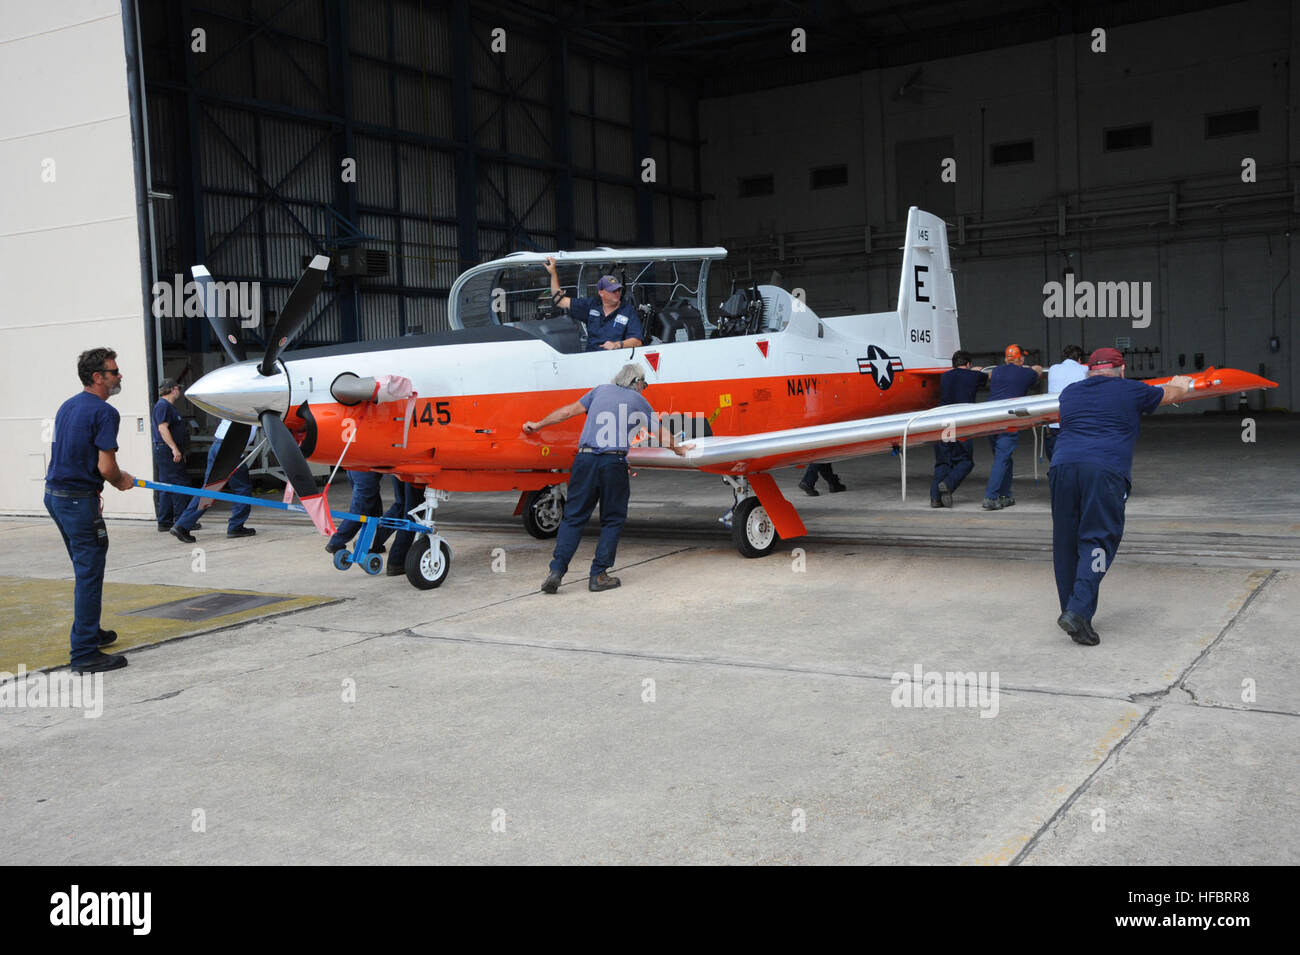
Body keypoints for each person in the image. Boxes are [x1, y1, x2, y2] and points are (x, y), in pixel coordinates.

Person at [1050, 347, 1193, 646]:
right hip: (1104, 470)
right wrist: (1181, 382)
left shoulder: (1069, 393)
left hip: (1062, 468)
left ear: (1088, 371)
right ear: (1122, 370)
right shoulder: (1132, 390)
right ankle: (1077, 611)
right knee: (1099, 540)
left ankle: (1075, 615)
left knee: (1066, 543)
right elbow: (1173, 394)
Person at [525, 363, 691, 593]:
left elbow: (566, 412)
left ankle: (557, 571)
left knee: (573, 517)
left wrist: (538, 424)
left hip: (584, 460)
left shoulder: (599, 391)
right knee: (612, 519)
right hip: (613, 462)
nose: (644, 388)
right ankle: (598, 575)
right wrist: (680, 449)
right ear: (636, 382)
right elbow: (660, 433)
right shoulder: (638, 400)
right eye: (644, 384)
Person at [44, 348, 136, 673]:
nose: (119, 375)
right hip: (77, 501)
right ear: (98, 378)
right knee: (89, 573)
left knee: (84, 569)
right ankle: (84, 652)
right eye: (114, 371)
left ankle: (90, 630)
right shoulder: (104, 412)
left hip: (55, 496)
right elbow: (106, 465)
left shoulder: (68, 406)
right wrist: (119, 479)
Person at [170, 419, 257, 542]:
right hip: (231, 448)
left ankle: (182, 525)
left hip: (218, 444)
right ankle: (236, 526)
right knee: (242, 488)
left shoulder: (233, 403)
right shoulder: (251, 405)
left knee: (210, 488)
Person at [982, 344, 1044, 510]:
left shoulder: (996, 372)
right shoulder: (1026, 372)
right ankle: (991, 496)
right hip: (1008, 420)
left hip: (989, 418)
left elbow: (987, 375)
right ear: (1021, 359)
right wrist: (1035, 368)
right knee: (1002, 459)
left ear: (1005, 359)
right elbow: (1037, 373)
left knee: (1005, 459)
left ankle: (1005, 495)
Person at [544, 257, 644, 352]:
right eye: (612, 290)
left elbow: (637, 341)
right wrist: (553, 273)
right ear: (601, 292)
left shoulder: (628, 310)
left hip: (616, 357)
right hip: (591, 357)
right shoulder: (591, 305)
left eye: (618, 290)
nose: (617, 293)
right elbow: (559, 301)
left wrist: (617, 345)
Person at [930, 350, 989, 507]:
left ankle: (935, 498)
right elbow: (988, 376)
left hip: (943, 421)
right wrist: (978, 371)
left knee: (943, 461)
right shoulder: (973, 376)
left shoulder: (945, 376)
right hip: (961, 422)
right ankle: (948, 484)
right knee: (965, 460)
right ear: (968, 364)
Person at [326, 471, 401, 556]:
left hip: (356, 469)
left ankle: (375, 544)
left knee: (374, 510)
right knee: (360, 512)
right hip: (365, 470)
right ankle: (336, 542)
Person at [151, 378, 191, 531]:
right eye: (178, 389)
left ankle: (165, 521)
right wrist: (174, 448)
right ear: (173, 389)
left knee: (167, 486)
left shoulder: (165, 406)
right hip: (167, 451)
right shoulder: (164, 406)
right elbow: (163, 428)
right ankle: (182, 521)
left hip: (164, 451)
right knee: (180, 484)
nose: (179, 392)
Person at [1044, 345, 1087, 462]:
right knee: (1076, 459)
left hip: (1053, 423)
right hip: (1075, 423)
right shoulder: (1085, 370)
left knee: (1055, 459)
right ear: (1079, 359)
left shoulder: (1053, 368)